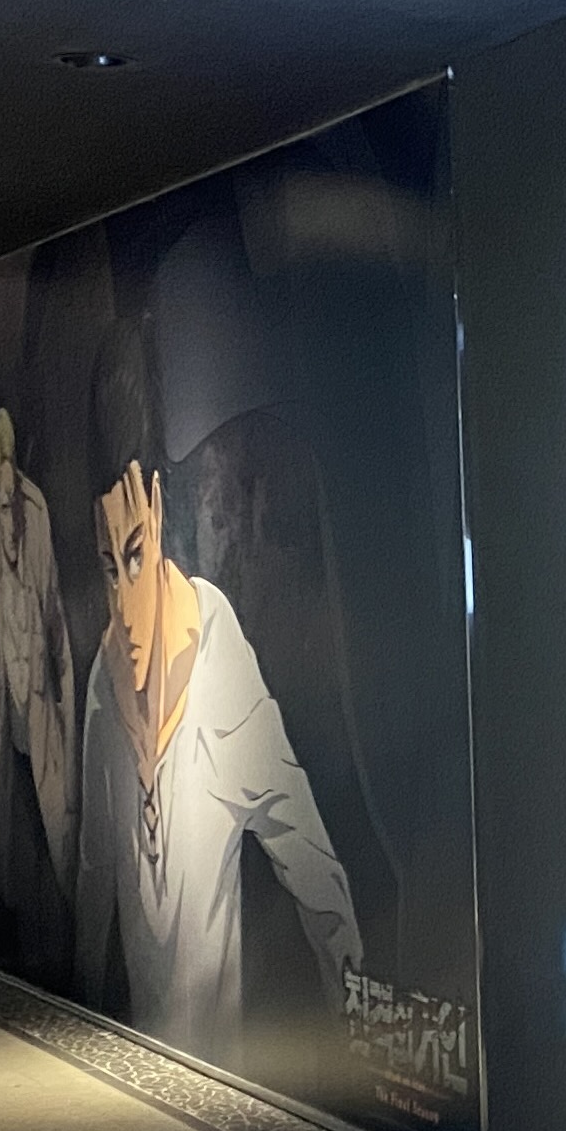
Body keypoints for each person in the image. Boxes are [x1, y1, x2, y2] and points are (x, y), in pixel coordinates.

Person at [70, 446, 362, 1061]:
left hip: (215, 1069)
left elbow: (312, 863)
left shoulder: (212, 652)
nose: (124, 606)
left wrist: (359, 1038)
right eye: (108, 568)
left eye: (135, 556)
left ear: (156, 519)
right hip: (139, 1066)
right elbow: (95, 876)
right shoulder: (103, 680)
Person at [0, 407, 77, 900]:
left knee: (58, 816)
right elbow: (1, 633)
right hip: (12, 699)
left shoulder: (33, 514)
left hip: (41, 693)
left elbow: (51, 615)